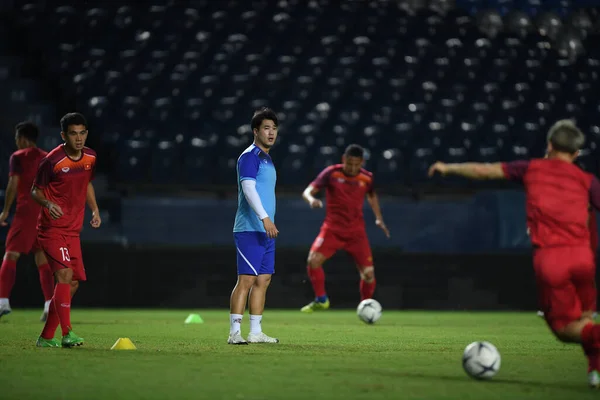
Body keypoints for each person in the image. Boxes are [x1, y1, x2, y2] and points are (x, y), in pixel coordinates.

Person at [428, 119, 600, 388]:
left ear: (549, 144)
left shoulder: (531, 168)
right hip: (584, 259)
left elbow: (485, 171)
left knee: (566, 331)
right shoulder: (588, 180)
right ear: (576, 154)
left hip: (553, 261)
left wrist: (448, 167)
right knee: (586, 319)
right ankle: (595, 372)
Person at [32, 113, 101, 348]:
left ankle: (47, 337)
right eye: (73, 133)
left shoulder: (90, 157)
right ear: (63, 135)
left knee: (72, 284)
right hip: (51, 229)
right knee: (64, 276)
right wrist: (48, 203)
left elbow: (87, 183)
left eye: (82, 132)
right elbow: (35, 191)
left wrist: (95, 210)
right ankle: (67, 333)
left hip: (73, 230)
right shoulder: (52, 161)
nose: (79, 138)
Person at [300, 144, 390, 313]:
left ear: (362, 162)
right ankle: (321, 299)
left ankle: (366, 307)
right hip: (332, 230)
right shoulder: (331, 173)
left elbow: (371, 195)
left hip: (356, 233)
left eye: (357, 164)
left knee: (369, 275)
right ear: (343, 160)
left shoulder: (367, 178)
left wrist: (379, 218)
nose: (353, 168)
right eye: (350, 164)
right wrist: (311, 199)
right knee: (313, 261)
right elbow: (307, 191)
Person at [228, 107, 279, 345]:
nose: (271, 133)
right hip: (250, 227)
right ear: (255, 131)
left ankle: (255, 332)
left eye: (274, 129)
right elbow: (248, 188)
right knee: (246, 280)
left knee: (263, 280)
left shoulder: (267, 158)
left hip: (265, 231)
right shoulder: (250, 156)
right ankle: (234, 333)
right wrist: (264, 217)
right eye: (266, 128)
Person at [0, 122, 54, 321]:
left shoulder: (17, 157)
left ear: (22, 138)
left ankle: (3, 301)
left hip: (26, 212)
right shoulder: (48, 157)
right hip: (45, 213)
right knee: (42, 258)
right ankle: (49, 305)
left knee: (11, 254)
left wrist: (5, 211)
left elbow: (13, 184)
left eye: (17, 139)